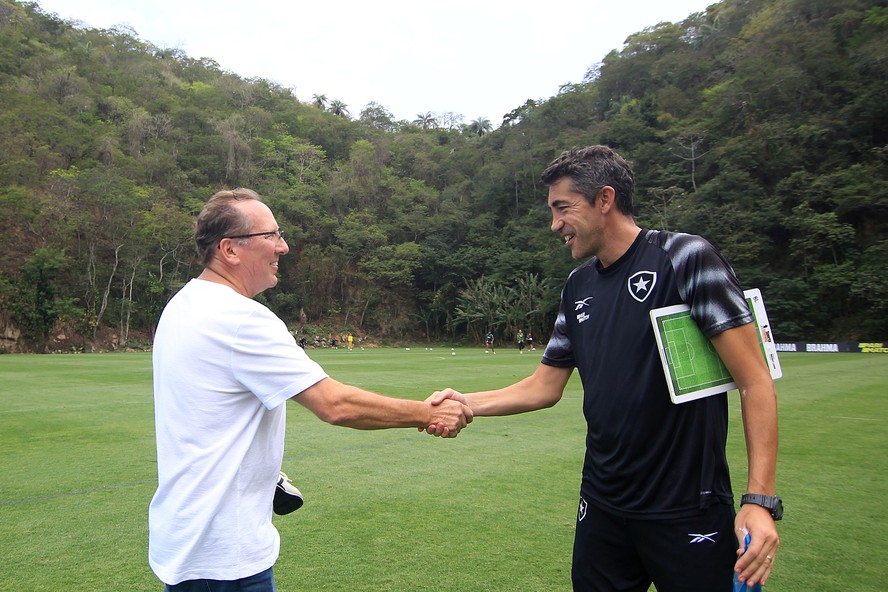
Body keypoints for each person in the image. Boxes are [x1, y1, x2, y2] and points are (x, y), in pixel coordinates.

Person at [428, 146, 780, 591]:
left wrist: (760, 500)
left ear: (605, 199)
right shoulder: (578, 286)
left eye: (563, 208)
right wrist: (466, 403)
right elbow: (543, 386)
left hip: (688, 507)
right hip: (603, 506)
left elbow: (755, 380)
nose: (554, 224)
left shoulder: (685, 257)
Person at [149, 188, 472, 591]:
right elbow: (334, 404)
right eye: (271, 236)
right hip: (224, 556)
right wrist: (429, 413)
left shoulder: (184, 303)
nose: (283, 246)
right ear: (230, 250)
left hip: (187, 539)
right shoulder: (239, 318)